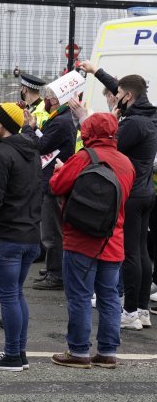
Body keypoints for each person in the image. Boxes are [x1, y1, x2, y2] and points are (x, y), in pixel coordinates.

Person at [49, 112, 135, 369]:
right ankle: (107, 352)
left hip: (81, 239)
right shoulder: (126, 163)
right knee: (109, 297)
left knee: (80, 296)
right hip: (113, 239)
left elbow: (56, 186)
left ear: (89, 133)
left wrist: (61, 171)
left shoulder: (84, 157)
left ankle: (78, 351)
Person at [79, 61, 157, 330]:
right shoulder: (150, 113)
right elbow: (123, 87)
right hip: (146, 192)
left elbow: (109, 144)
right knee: (143, 253)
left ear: (128, 97)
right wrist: (95, 71)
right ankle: (143, 310)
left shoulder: (134, 124)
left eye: (120, 94)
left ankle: (131, 311)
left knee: (131, 254)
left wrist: (111, 118)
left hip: (132, 195)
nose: (116, 97)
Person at [0, 102, 41, 372]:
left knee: (9, 297)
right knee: (16, 295)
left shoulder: (0, 155)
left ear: (6, 125)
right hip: (29, 235)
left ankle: (12, 354)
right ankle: (19, 352)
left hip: (5, 236)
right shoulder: (31, 152)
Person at [29, 87, 77, 291]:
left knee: (52, 231)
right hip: (52, 179)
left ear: (57, 100)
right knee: (51, 229)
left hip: (54, 182)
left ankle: (56, 273)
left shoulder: (61, 121)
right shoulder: (60, 118)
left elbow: (41, 145)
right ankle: (53, 267)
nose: (46, 101)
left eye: (48, 98)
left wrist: (28, 128)